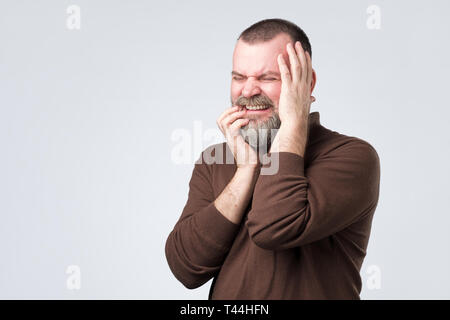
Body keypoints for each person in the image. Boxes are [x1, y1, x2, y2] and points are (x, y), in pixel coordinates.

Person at [165, 18, 381, 299]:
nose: (248, 91)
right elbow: (186, 268)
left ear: (307, 82)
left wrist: (292, 124)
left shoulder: (351, 156)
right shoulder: (215, 160)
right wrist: (246, 169)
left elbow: (273, 227)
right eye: (239, 77)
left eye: (267, 78)